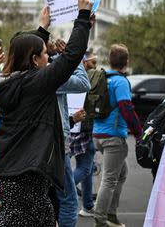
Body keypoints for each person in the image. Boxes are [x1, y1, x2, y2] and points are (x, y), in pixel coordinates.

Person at [0, 0, 93, 226]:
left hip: (10, 171)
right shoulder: (36, 83)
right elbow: (71, 56)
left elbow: (27, 51)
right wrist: (83, 18)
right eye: (46, 54)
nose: (50, 57)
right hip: (29, 173)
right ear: (35, 60)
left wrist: (42, 29)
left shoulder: (8, 81)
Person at [92, 44, 142, 227]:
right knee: (109, 179)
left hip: (97, 133)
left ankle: (111, 214)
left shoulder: (104, 77)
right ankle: (101, 218)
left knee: (122, 173)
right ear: (126, 62)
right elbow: (126, 109)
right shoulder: (121, 81)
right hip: (113, 136)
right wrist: (138, 133)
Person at [47, 38, 91, 227]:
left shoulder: (15, 76)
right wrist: (72, 56)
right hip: (55, 145)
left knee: (44, 198)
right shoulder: (47, 76)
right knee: (68, 200)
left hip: (32, 145)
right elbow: (83, 83)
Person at [72, 52, 99, 218]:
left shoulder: (71, 73)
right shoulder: (85, 80)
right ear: (84, 61)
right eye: (92, 62)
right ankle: (59, 189)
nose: (95, 66)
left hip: (76, 126)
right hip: (82, 127)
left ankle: (88, 205)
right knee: (85, 167)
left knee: (87, 166)